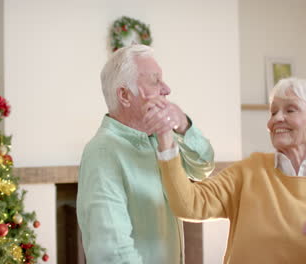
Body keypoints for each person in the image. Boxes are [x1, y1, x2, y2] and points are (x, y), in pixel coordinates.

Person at [151, 77, 306, 263]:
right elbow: (189, 205)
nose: (275, 119)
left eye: (290, 110)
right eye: (273, 112)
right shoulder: (251, 169)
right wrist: (165, 140)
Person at [76, 44, 215, 264]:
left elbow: (204, 167)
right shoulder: (102, 152)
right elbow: (112, 253)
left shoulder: (158, 138)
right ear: (124, 95)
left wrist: (182, 124)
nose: (167, 89)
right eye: (155, 80)